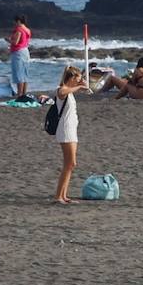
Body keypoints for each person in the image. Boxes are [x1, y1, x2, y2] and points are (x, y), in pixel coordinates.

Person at [52, 66, 90, 204]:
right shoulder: (62, 89)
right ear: (72, 78)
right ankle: (58, 196)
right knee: (70, 163)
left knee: (70, 164)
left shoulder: (70, 92)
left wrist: (81, 85)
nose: (79, 81)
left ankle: (63, 195)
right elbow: (62, 91)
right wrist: (79, 87)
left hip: (71, 130)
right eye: (77, 78)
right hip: (65, 130)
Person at [7, 14, 32, 99]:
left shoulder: (19, 29)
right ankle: (24, 93)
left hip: (18, 52)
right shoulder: (27, 30)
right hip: (25, 51)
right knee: (25, 73)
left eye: (15, 21)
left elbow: (15, 42)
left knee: (19, 73)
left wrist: (8, 40)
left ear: (18, 21)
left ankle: (19, 94)